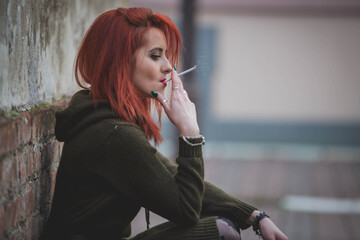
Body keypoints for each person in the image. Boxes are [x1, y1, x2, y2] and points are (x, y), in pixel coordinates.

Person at [41, 7, 288, 240]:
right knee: (220, 231)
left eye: (166, 55)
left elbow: (169, 178)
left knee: (222, 224)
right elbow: (186, 208)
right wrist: (190, 133)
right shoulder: (115, 134)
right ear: (119, 62)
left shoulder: (105, 121)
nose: (168, 67)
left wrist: (254, 216)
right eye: (156, 55)